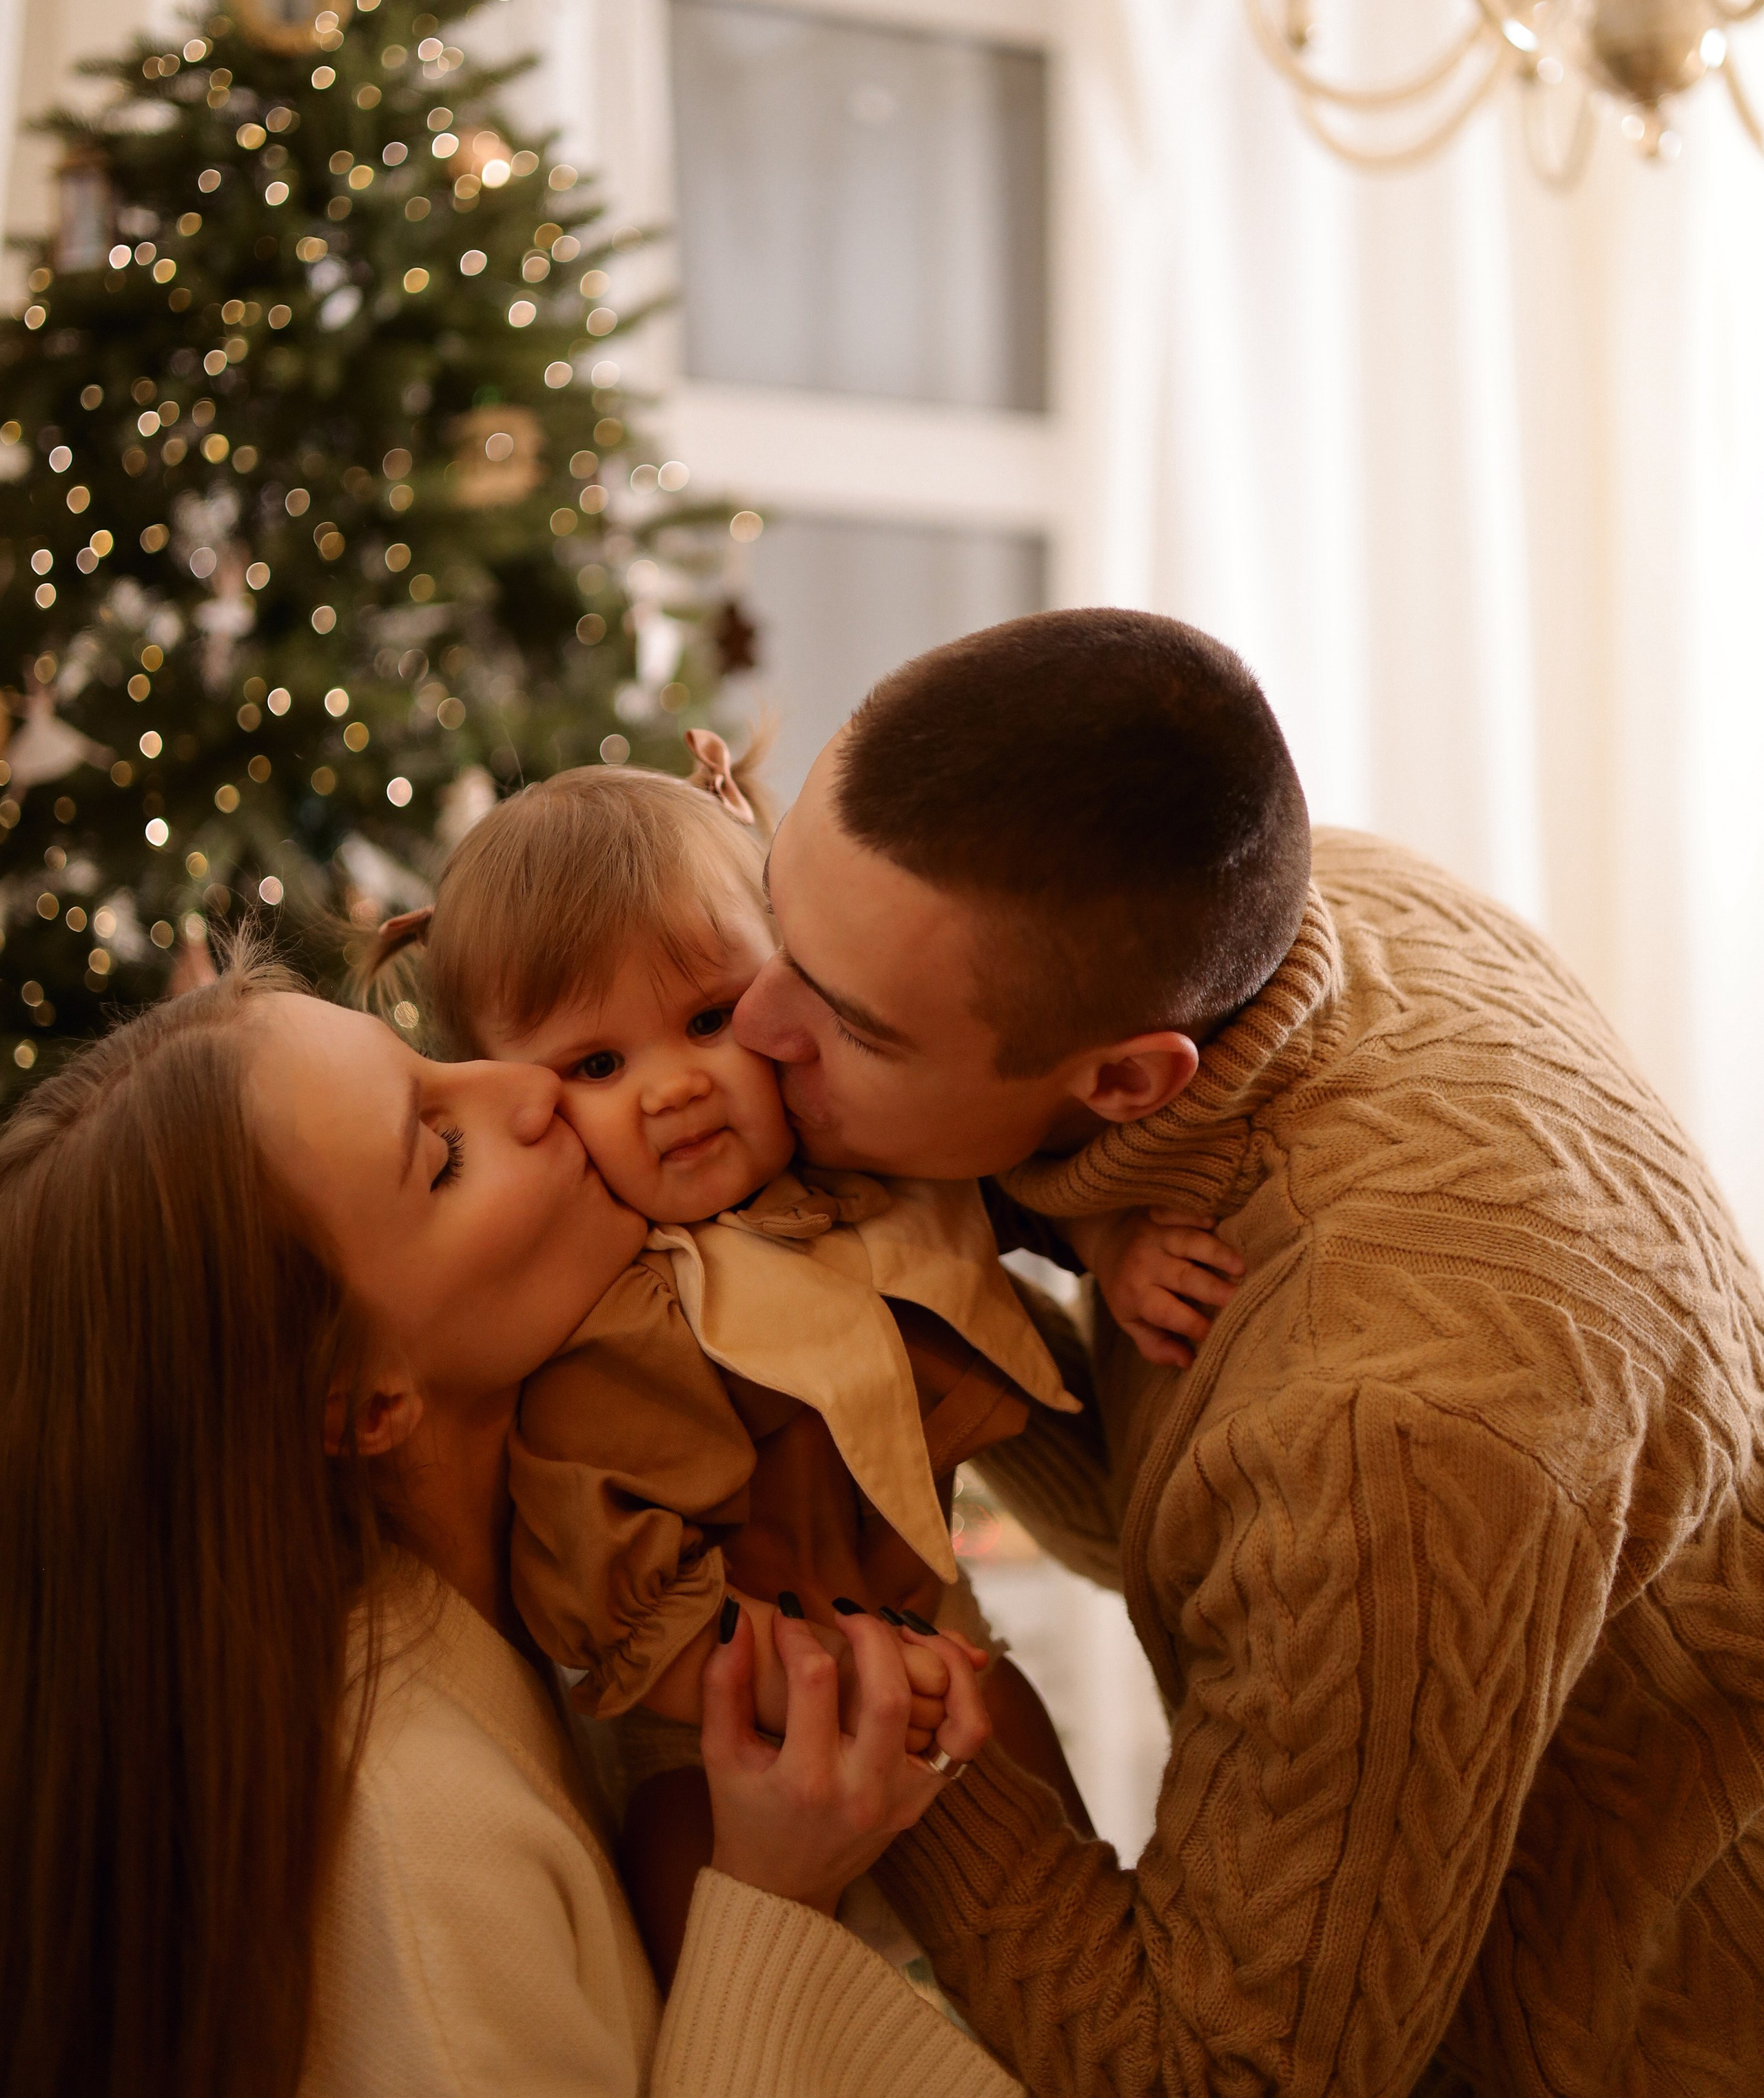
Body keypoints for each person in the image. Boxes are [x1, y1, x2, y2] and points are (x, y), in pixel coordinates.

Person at [731, 606, 1764, 2097]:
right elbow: (1175, 1514)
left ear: (1127, 1081)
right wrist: (901, 1272)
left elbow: (1221, 2078)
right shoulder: (1327, 900)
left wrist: (904, 1708)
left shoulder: (1388, 1430)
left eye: (851, 1029)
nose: (751, 1020)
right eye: (774, 920)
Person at [0, 956, 1014, 2098]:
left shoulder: (581, 1532)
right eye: (443, 1155)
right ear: (364, 1405)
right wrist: (778, 1894)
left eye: (431, 1062)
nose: (532, 1090)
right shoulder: (419, 1850)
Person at [358, 742, 1114, 1977]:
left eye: (710, 1018)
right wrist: (811, 1685)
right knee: (700, 1918)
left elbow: (1014, 1170)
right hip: (712, 1714)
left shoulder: (859, 1153)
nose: (674, 1089)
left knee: (1062, 1889)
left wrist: (1118, 1242)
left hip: (939, 1632)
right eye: (596, 1066)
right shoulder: (618, 1321)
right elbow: (622, 1607)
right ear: (522, 1099)